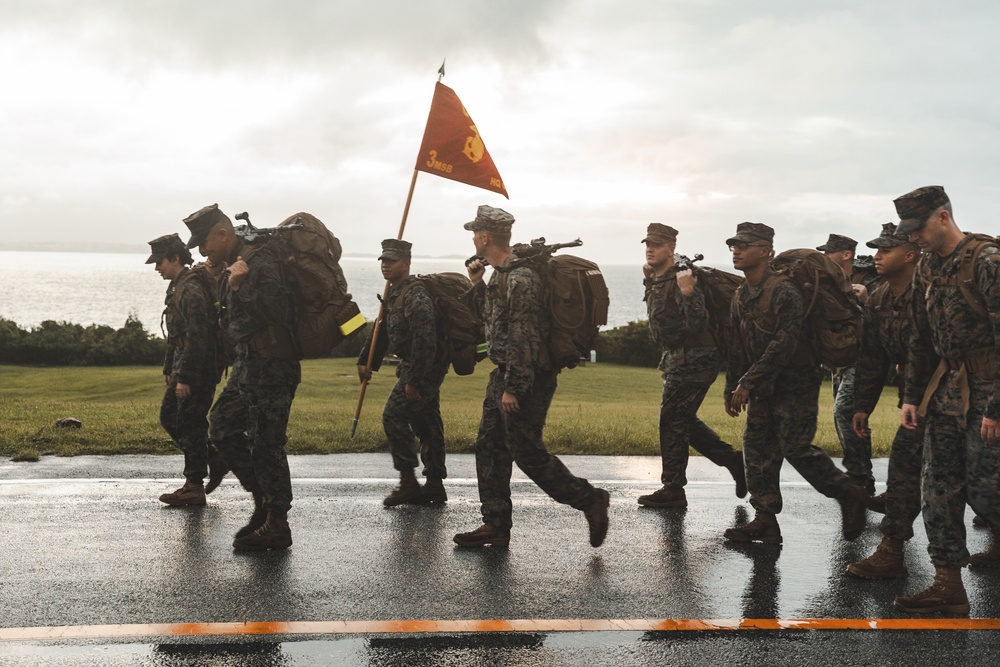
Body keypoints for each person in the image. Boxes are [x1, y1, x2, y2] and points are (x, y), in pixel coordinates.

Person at [452, 205, 610, 548]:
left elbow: (524, 336)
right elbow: (492, 322)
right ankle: (495, 522)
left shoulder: (521, 278)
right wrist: (477, 284)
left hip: (527, 378)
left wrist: (514, 387)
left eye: (475, 234)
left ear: (485, 237)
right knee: (490, 447)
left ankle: (590, 499)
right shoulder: (501, 273)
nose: (473, 239)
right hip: (504, 373)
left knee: (527, 452)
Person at [723, 222, 866, 545]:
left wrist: (748, 381)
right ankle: (765, 519)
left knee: (795, 448)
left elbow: (783, 344)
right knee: (756, 449)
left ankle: (848, 492)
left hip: (796, 381)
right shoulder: (742, 294)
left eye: (744, 245)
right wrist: (731, 386)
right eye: (734, 245)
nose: (736, 250)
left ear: (765, 251)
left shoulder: (784, 291)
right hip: (762, 385)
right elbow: (736, 344)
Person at [893, 186, 1000, 615]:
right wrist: (912, 395)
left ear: (942, 217)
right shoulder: (927, 267)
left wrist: (996, 407)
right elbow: (920, 336)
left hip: (989, 389)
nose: (912, 237)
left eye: (917, 228)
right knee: (937, 486)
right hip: (947, 390)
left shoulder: (987, 262)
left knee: (986, 490)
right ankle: (947, 584)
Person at [184, 203, 300, 552]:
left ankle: (277, 523)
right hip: (249, 364)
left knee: (268, 444)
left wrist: (238, 286)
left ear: (222, 234)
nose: (202, 252)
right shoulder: (235, 262)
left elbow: (277, 310)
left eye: (204, 243)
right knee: (221, 425)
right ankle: (262, 500)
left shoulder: (260, 260)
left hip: (273, 367)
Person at [637, 223, 746, 508]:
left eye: (657, 245)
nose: (650, 249)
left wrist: (687, 292)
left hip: (696, 358)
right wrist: (649, 281)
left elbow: (697, 323)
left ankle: (673, 489)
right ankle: (734, 461)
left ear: (671, 248)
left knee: (671, 420)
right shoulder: (659, 278)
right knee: (681, 419)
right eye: (648, 244)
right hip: (677, 357)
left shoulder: (684, 278)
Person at [846, 223, 922, 579]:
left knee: (977, 480)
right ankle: (892, 551)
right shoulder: (878, 298)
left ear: (909, 255)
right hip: (919, 403)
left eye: (885, 250)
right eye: (876, 250)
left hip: (956, 397)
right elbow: (873, 358)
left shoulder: (930, 293)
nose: (876, 256)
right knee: (904, 469)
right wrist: (863, 406)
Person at [357, 239, 450, 507]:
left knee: (393, 416)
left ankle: (408, 483)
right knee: (427, 422)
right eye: (383, 260)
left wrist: (414, 381)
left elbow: (425, 341)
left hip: (425, 367)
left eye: (392, 261)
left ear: (406, 263)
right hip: (418, 366)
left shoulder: (415, 295)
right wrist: (366, 360)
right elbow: (383, 328)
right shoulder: (395, 293)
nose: (385, 265)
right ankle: (434, 486)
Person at [147, 233, 224, 506]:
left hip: (200, 366)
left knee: (191, 422)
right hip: (184, 363)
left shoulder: (191, 289)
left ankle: (194, 486)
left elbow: (198, 336)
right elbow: (175, 333)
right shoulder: (177, 286)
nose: (157, 268)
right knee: (171, 417)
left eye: (160, 262)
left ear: (175, 258)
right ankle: (213, 457)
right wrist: (169, 367)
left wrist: (187, 377)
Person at [816, 233, 879, 503]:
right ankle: (861, 474)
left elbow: (883, 316)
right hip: (839, 360)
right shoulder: (827, 282)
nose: (824, 257)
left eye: (828, 252)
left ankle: (858, 474)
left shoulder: (870, 282)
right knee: (847, 418)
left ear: (846, 254)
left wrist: (867, 298)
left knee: (844, 411)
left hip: (863, 359)